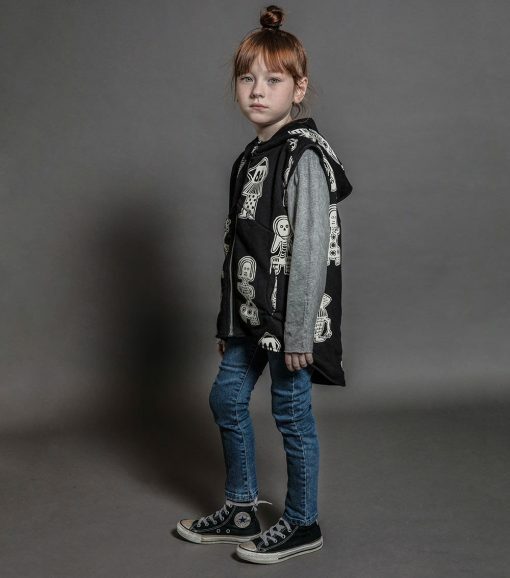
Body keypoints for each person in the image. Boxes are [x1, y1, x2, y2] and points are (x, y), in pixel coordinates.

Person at [176, 4, 353, 564]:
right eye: (247, 79)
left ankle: (302, 521)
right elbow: (239, 247)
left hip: (289, 323)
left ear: (299, 89)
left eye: (273, 80)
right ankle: (241, 507)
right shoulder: (251, 157)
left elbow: (311, 252)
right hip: (250, 317)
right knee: (226, 398)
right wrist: (227, 322)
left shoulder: (305, 158)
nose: (258, 90)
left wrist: (299, 333)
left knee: (291, 414)